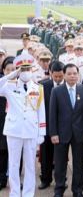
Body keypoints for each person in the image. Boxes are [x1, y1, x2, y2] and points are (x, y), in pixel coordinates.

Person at [0, 54, 46, 197]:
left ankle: (28, 193)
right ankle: (14, 193)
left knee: (30, 165)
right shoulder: (9, 85)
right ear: (18, 70)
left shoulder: (38, 88)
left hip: (31, 130)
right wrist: (10, 75)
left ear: (32, 69)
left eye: (28, 68)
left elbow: (41, 111)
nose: (25, 71)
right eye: (22, 68)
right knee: (13, 164)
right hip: (14, 131)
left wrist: (41, 133)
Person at [49, 63, 83, 197]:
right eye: (69, 74)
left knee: (78, 164)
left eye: (75, 73)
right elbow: (52, 114)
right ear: (64, 75)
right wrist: (53, 133)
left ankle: (78, 190)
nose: (72, 76)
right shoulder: (56, 91)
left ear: (78, 75)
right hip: (61, 133)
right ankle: (59, 189)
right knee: (60, 164)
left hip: (79, 133)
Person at [38, 61, 64, 190]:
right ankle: (45, 179)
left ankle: (61, 180)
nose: (58, 79)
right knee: (45, 156)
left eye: (60, 76)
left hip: (62, 128)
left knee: (61, 157)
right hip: (46, 127)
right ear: (50, 73)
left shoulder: (68, 86)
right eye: (56, 76)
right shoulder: (42, 86)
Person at [0, 56, 15, 191]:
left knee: (16, 155)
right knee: (2, 151)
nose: (11, 72)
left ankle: (14, 180)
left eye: (14, 70)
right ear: (3, 70)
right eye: (8, 70)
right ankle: (2, 178)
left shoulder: (22, 85)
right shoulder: (2, 84)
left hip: (15, 124)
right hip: (2, 122)